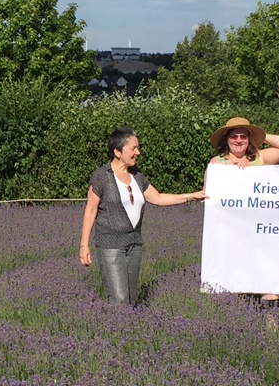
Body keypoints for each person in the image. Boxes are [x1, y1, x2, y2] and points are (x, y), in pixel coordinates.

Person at [80, 127, 206, 305]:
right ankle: (117, 331)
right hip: (110, 246)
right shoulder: (102, 177)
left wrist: (190, 196)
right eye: (133, 148)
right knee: (119, 300)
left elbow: (158, 198)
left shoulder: (137, 175)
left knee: (131, 298)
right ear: (117, 152)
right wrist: (84, 245)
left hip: (134, 245)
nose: (137, 152)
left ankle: (127, 331)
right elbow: (90, 211)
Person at [205, 117, 279, 303]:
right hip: (231, 231)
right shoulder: (217, 164)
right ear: (226, 140)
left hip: (260, 231)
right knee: (233, 280)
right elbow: (208, 198)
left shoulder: (259, 159)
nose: (238, 140)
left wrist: (260, 136)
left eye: (244, 136)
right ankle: (235, 323)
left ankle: (271, 324)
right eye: (234, 136)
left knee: (268, 278)